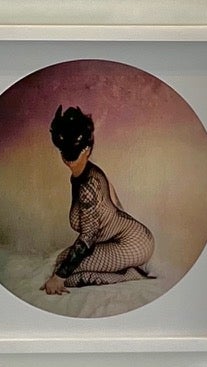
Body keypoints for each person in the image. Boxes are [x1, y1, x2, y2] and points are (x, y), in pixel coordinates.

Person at [39, 104, 155, 294]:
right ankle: (123, 268)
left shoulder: (89, 184)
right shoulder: (87, 174)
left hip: (133, 244)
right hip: (128, 238)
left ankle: (130, 274)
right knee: (61, 261)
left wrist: (58, 278)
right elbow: (116, 205)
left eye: (74, 151)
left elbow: (88, 237)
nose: (68, 158)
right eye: (63, 151)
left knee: (70, 278)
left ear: (87, 149)